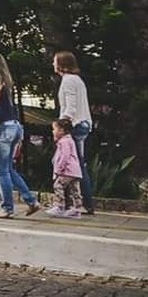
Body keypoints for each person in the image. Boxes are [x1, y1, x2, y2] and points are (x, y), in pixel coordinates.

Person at [0, 53, 40, 219]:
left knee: (1, 172)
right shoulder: (6, 85)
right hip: (14, 127)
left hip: (2, 129)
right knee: (8, 169)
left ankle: (7, 208)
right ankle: (31, 200)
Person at [54, 51, 95, 215]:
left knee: (75, 167)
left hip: (75, 125)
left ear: (62, 64)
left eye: (55, 61)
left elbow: (70, 108)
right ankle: (78, 202)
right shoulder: (77, 80)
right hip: (83, 123)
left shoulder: (68, 81)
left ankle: (83, 203)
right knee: (78, 165)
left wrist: (60, 126)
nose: (53, 64)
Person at [47, 118, 84, 218]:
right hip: (75, 171)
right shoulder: (69, 140)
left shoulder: (64, 142)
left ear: (62, 131)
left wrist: (59, 169)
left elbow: (64, 156)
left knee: (58, 186)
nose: (53, 131)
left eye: (54, 129)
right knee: (74, 190)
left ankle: (59, 206)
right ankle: (77, 208)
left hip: (67, 170)